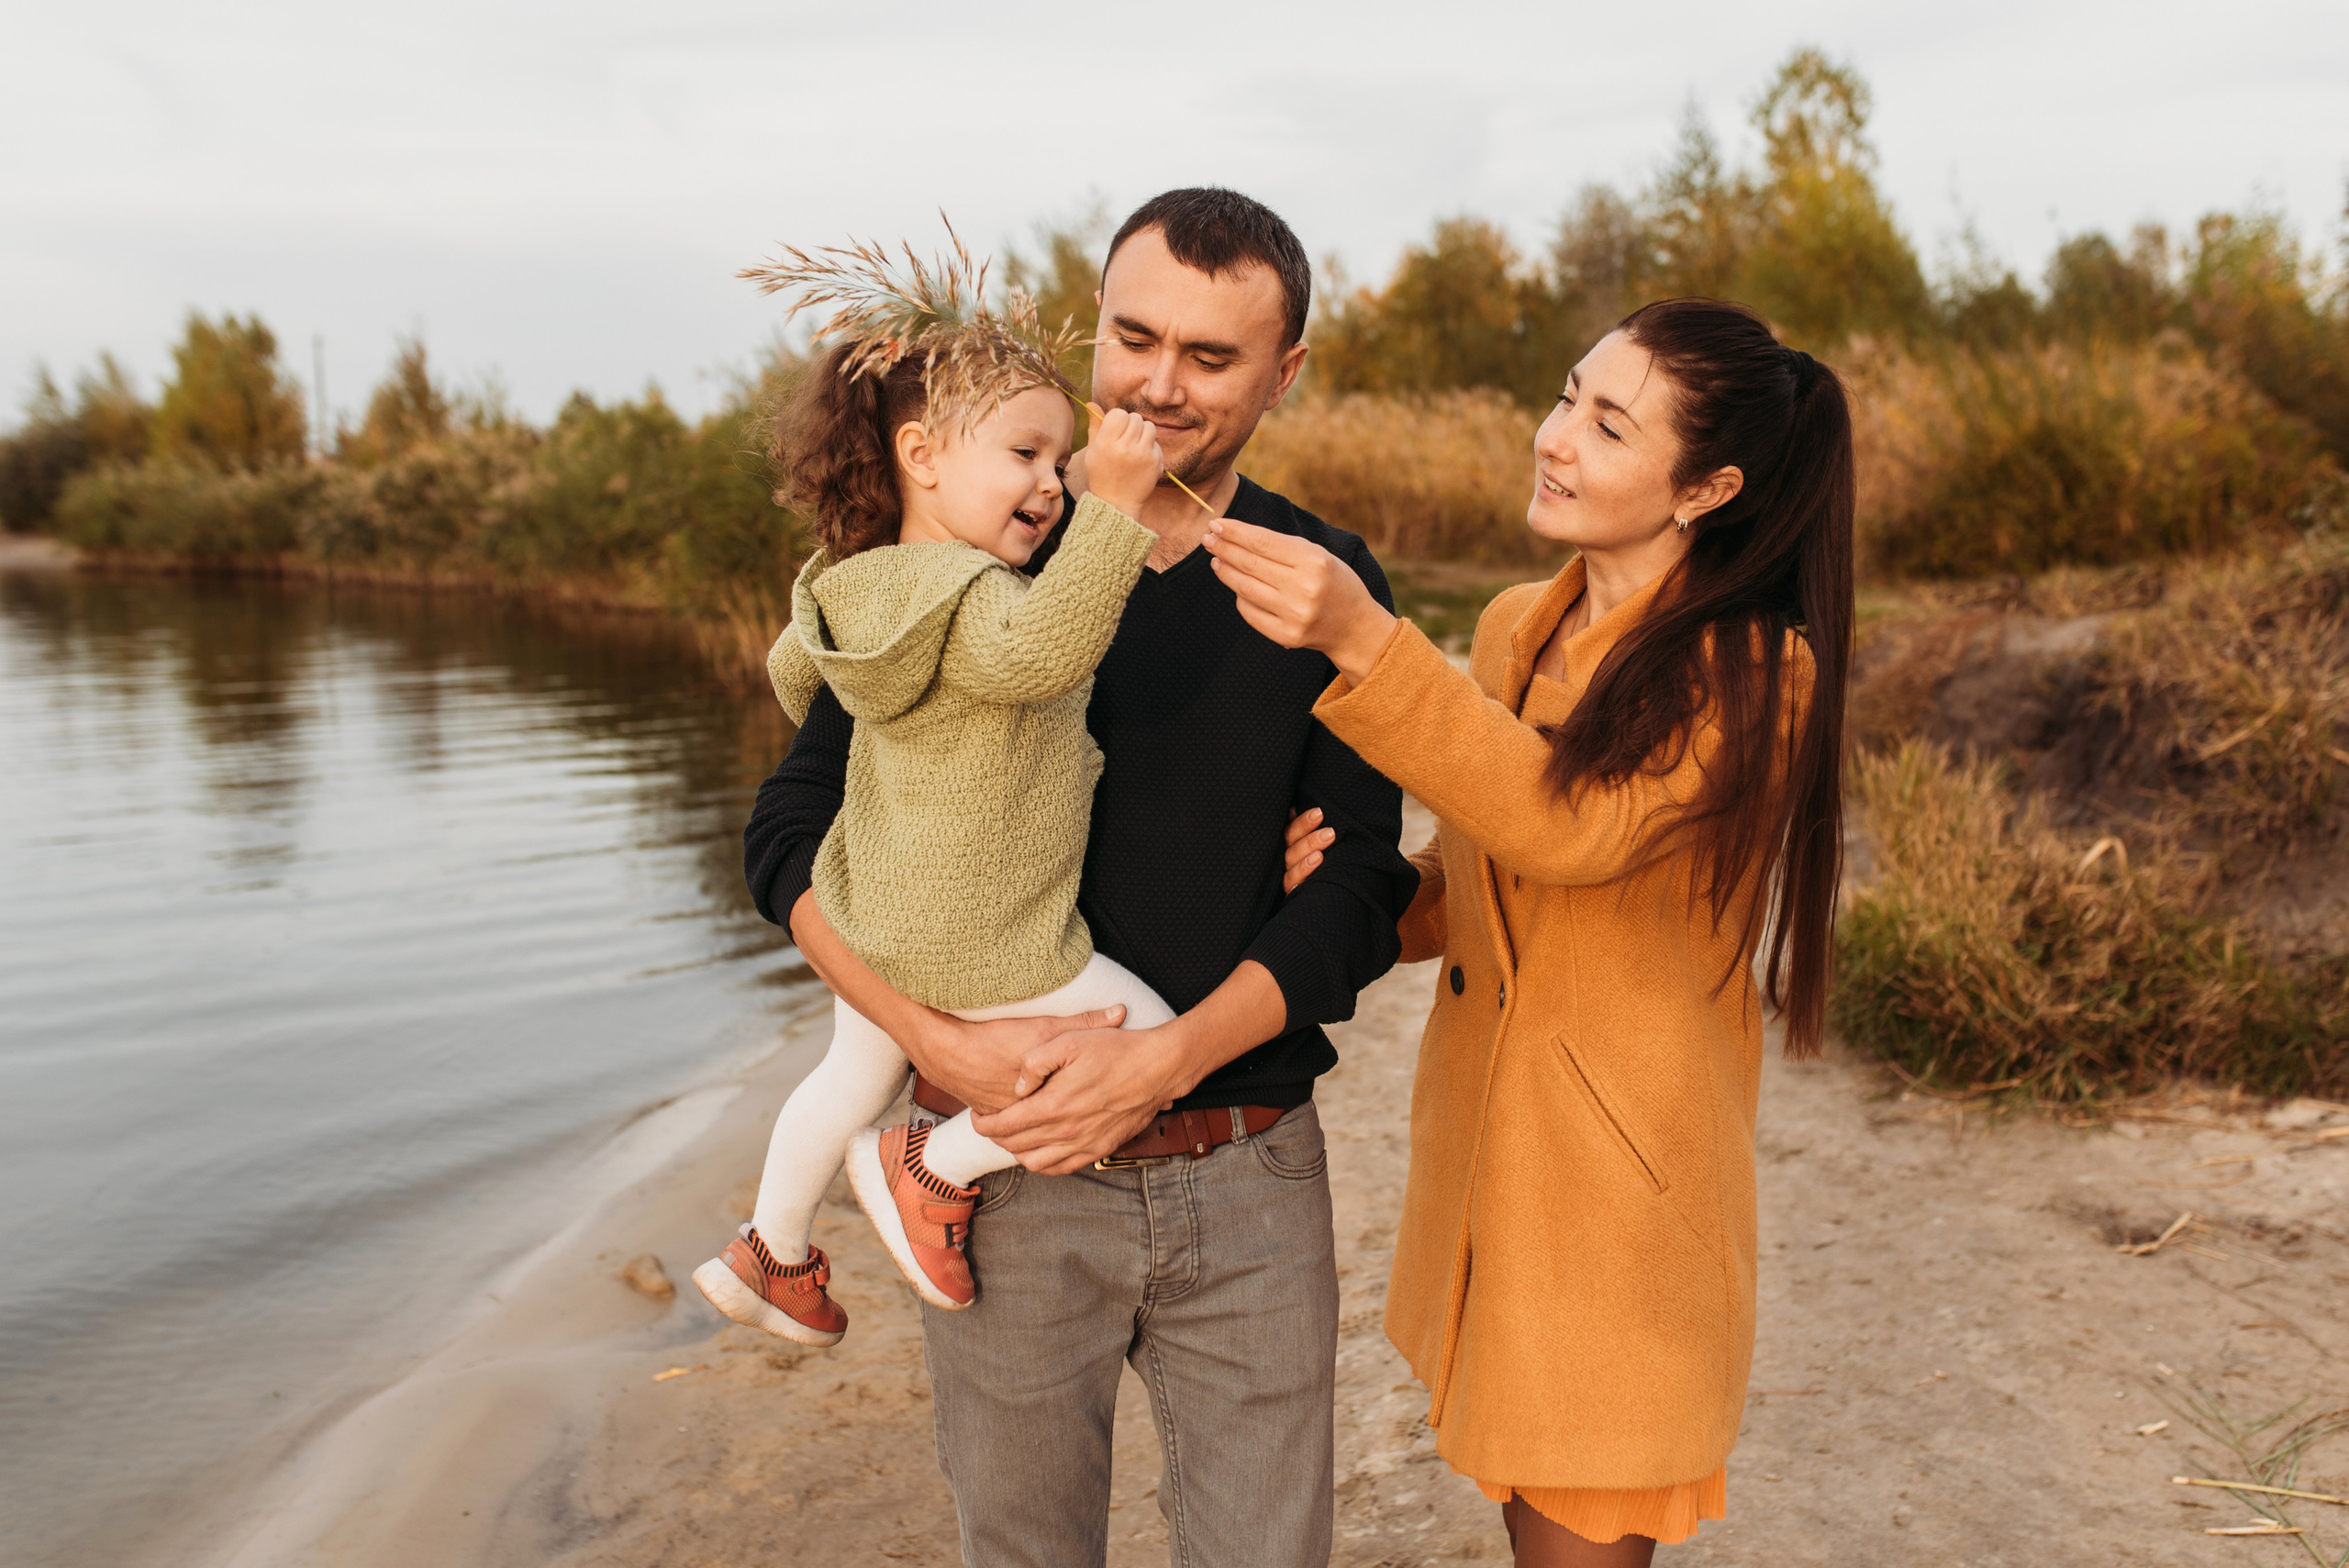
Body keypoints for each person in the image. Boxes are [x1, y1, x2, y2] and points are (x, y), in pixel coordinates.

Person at [740, 188, 1419, 1567]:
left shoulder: (1325, 582)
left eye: (1212, 359)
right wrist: (923, 1039)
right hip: (1005, 1178)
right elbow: (790, 830)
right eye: (1133, 336)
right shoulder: (983, 544)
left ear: (1285, 374)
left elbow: (1358, 898)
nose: (1156, 386)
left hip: (1246, 1171)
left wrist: (1168, 1058)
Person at [1205, 297, 1854, 1567]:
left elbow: (1577, 834)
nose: (1555, 437)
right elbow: (1484, 875)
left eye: (1609, 426)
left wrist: (1364, 639)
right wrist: (1365, 894)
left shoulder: (1754, 671)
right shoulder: (1518, 623)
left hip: (1618, 1205)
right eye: (1568, 397)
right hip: (1497, 1173)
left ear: (1708, 485)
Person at [695, 339, 1179, 1341]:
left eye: (1062, 462)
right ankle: (929, 1166)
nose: (1051, 484)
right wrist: (1117, 506)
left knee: (850, 1074)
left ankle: (771, 1246)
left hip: (874, 901)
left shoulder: (859, 589)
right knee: (1152, 1042)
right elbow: (1046, 652)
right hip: (974, 926)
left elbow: (800, 677)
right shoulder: (972, 593)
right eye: (1024, 454)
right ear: (920, 454)